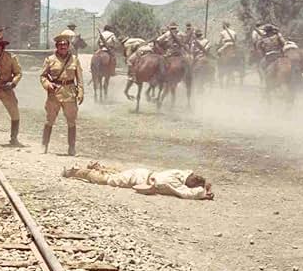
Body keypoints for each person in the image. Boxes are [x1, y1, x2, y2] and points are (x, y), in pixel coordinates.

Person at [63, 161, 213, 200]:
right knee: (107, 180)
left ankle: (96, 167)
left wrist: (204, 185)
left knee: (117, 174)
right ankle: (76, 172)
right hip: (138, 177)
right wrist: (204, 191)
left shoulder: (181, 173)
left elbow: (190, 178)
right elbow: (186, 194)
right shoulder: (174, 181)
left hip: (142, 173)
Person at [40, 33, 84, 155]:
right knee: (50, 120)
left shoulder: (74, 60)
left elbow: (79, 78)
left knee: (71, 121)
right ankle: (44, 145)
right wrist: (47, 84)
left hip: (69, 93)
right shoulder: (50, 60)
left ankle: (71, 147)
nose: (63, 47)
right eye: (60, 45)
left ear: (68, 46)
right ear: (57, 46)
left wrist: (80, 92)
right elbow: (43, 76)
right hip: (54, 93)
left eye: (65, 45)